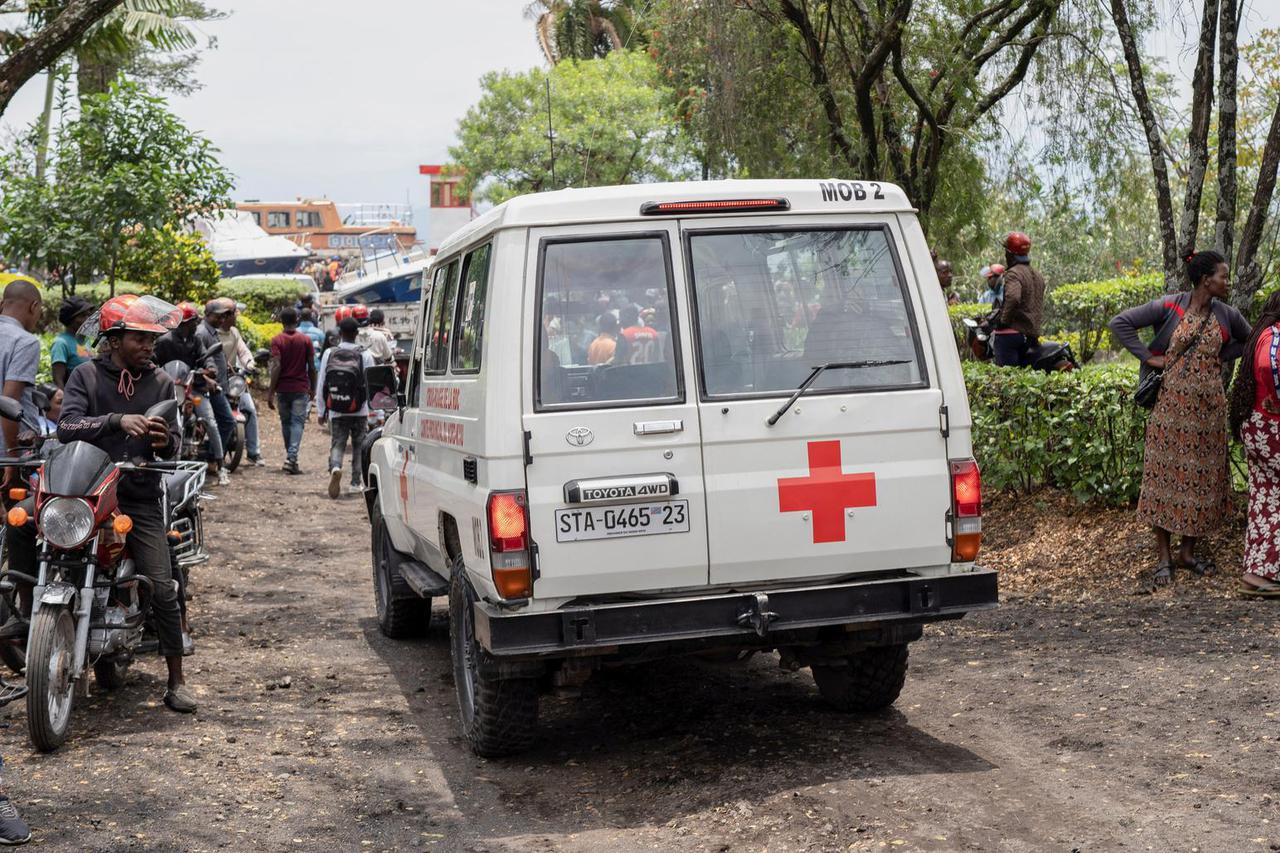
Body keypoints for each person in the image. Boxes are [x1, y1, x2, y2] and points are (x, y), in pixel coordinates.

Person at [10, 294, 196, 713]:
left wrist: (165, 442)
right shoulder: (85, 377)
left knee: (161, 584)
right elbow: (68, 424)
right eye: (139, 338)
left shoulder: (162, 383)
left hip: (135, 493)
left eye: (152, 339)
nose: (149, 346)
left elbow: (173, 444)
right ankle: (24, 619)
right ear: (112, 339)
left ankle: (176, 678)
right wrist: (115, 421)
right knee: (20, 525)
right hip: (80, 489)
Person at [1110, 250, 1250, 590]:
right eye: (1223, 276)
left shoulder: (1226, 314)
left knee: (1201, 481)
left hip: (1208, 412)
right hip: (1171, 411)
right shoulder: (1170, 306)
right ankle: (1164, 558)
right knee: (1166, 480)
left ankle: (1187, 553)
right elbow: (1120, 323)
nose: (1227, 282)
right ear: (1206, 280)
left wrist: (1221, 354)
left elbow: (1249, 339)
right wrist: (1148, 357)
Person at [1228, 291, 1280, 597]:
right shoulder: (1273, 336)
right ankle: (1261, 574)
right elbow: (1267, 367)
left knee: (1266, 499)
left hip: (1258, 425)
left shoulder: (1264, 333)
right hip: (1268, 427)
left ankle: (1256, 575)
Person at [155, 302, 226, 484]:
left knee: (209, 420)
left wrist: (209, 369)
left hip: (193, 387)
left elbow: (206, 358)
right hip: (170, 388)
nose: (197, 324)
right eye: (194, 321)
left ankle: (220, 465)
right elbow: (153, 362)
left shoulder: (196, 340)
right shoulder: (165, 341)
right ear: (184, 323)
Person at [316, 317, 374, 498]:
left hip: (336, 408)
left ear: (340, 333)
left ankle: (335, 467)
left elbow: (322, 382)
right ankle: (356, 483)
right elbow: (371, 384)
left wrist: (320, 410)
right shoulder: (365, 355)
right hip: (360, 409)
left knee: (337, 443)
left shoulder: (329, 353)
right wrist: (374, 411)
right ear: (357, 334)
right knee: (358, 446)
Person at [267, 307, 317, 474]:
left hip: (283, 389)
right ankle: (292, 457)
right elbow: (311, 367)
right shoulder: (305, 340)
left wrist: (271, 391)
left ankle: (291, 458)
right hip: (300, 388)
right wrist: (313, 388)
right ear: (297, 320)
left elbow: (276, 366)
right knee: (297, 423)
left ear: (281, 321)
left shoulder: (276, 340)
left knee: (286, 423)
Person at [0, 278, 43, 464]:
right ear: (34, 306)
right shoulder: (25, 342)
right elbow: (8, 403)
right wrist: (13, 458)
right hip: (7, 453)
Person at [195, 299, 237, 484]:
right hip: (205, 387)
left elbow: (212, 357)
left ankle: (212, 456)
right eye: (218, 315)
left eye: (224, 315)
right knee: (223, 421)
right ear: (208, 315)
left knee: (224, 422)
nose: (222, 319)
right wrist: (206, 376)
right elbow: (200, 359)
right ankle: (213, 458)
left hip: (217, 385)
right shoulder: (202, 333)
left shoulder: (212, 332)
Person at [217, 306, 264, 467]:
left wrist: (249, 364)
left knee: (249, 408)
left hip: (233, 380)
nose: (236, 317)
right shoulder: (212, 334)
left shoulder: (234, 333)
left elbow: (243, 352)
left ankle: (254, 452)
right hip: (215, 380)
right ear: (224, 316)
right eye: (233, 314)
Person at [992, 233, 1046, 367]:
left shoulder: (1014, 273)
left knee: (1006, 379)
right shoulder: (1037, 275)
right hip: (1030, 337)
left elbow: (1014, 297)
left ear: (1010, 254)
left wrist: (1003, 320)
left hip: (1010, 336)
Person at [50, 296, 93, 389]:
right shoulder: (61, 343)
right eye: (83, 316)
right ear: (71, 320)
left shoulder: (85, 340)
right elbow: (58, 380)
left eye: (88, 315)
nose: (88, 319)